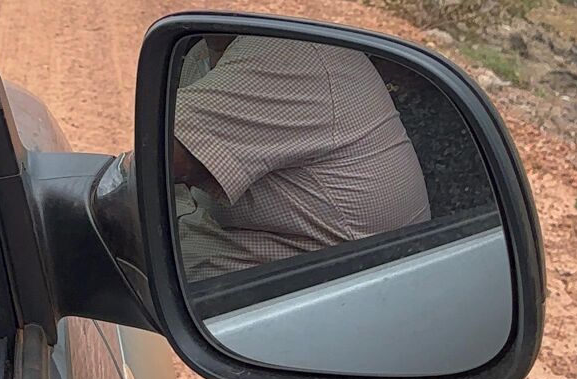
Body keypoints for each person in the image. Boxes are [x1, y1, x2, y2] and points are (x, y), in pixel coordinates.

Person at [172, 33, 430, 279]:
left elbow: (166, 156)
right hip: (231, 273)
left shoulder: (285, 52)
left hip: (288, 300)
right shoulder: (206, 52)